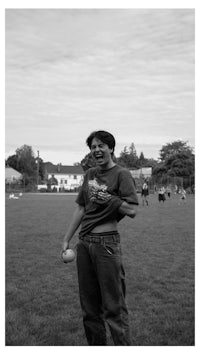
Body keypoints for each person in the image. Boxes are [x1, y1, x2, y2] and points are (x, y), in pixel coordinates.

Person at [62, 130, 139, 346]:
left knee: (114, 308)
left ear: (111, 148)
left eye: (101, 146)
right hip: (84, 245)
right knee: (89, 309)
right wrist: (66, 239)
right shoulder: (89, 176)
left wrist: (106, 198)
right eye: (93, 147)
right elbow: (80, 208)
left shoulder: (121, 174)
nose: (97, 150)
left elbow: (132, 210)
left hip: (106, 245)